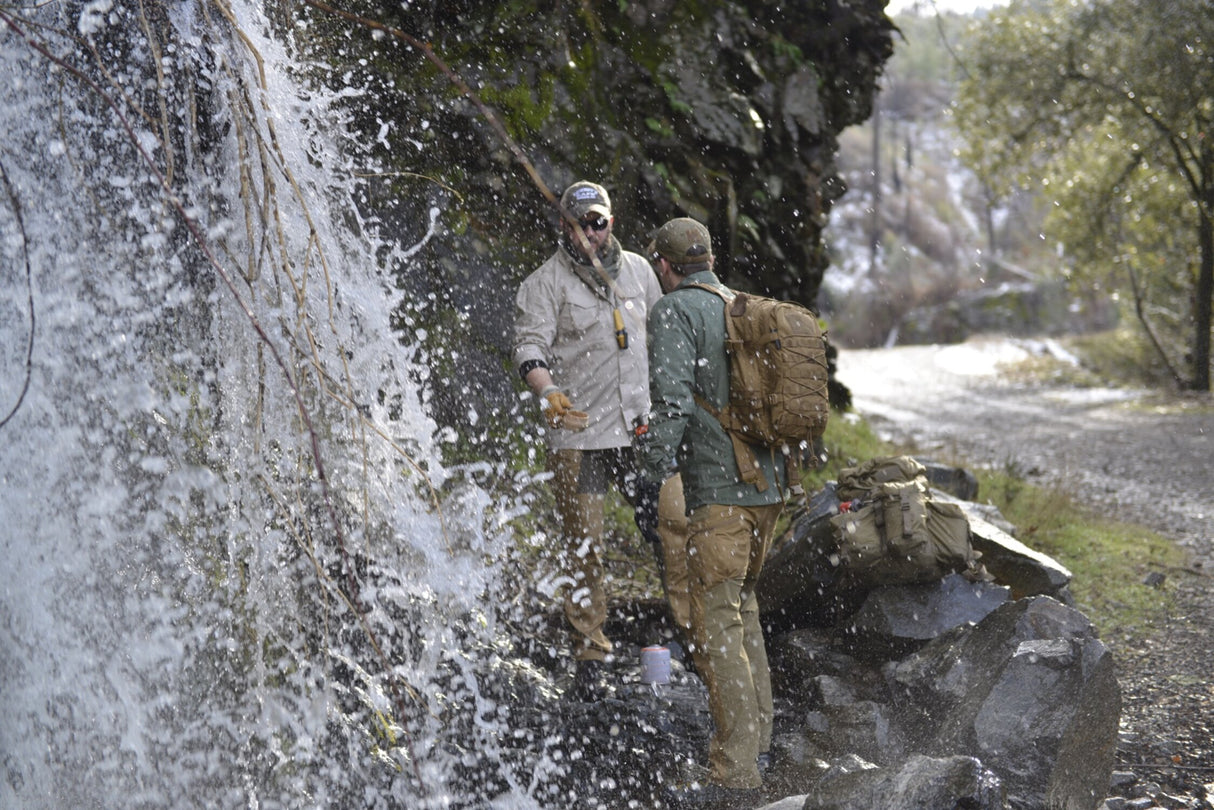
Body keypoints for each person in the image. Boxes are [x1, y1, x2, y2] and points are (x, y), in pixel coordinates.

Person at [512, 181, 691, 699]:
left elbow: (666, 334)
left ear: (610, 222)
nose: (592, 232)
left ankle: (694, 637)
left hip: (642, 431)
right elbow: (529, 346)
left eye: (600, 222)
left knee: (672, 531)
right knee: (584, 544)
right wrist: (548, 392)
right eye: (582, 223)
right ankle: (591, 652)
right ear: (564, 226)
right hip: (582, 434)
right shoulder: (543, 284)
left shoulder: (638, 271)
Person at [638, 217, 786, 805]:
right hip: (768, 490)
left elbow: (672, 401)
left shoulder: (674, 312)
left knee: (715, 621)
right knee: (742, 609)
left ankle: (735, 768)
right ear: (708, 258)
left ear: (664, 265)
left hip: (719, 493)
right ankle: (762, 742)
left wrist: (648, 465)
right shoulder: (744, 305)